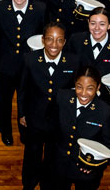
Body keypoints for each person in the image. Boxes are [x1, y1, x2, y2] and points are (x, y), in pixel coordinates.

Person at [17, 22, 78, 190]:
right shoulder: (29, 59)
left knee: (52, 156)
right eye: (50, 39)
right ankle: (29, 183)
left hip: (58, 121)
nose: (54, 44)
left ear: (64, 42)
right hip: (34, 118)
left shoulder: (73, 62)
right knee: (32, 153)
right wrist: (22, 114)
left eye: (59, 40)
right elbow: (22, 90)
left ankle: (46, 184)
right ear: (43, 40)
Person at [0, 0, 47, 146]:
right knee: (5, 101)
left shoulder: (40, 8)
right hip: (5, 65)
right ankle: (5, 130)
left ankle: (24, 130)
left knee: (26, 100)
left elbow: (44, 38)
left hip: (29, 66)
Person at [52, 66, 110, 190]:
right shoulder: (62, 97)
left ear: (98, 87)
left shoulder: (105, 111)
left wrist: (93, 165)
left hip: (87, 172)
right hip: (60, 166)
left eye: (90, 88)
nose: (83, 93)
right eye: (79, 87)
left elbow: (108, 146)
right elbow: (53, 129)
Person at [65, 7, 110, 76]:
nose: (97, 28)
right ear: (88, 22)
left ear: (109, 25)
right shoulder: (76, 40)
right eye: (93, 23)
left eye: (102, 24)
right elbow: (67, 68)